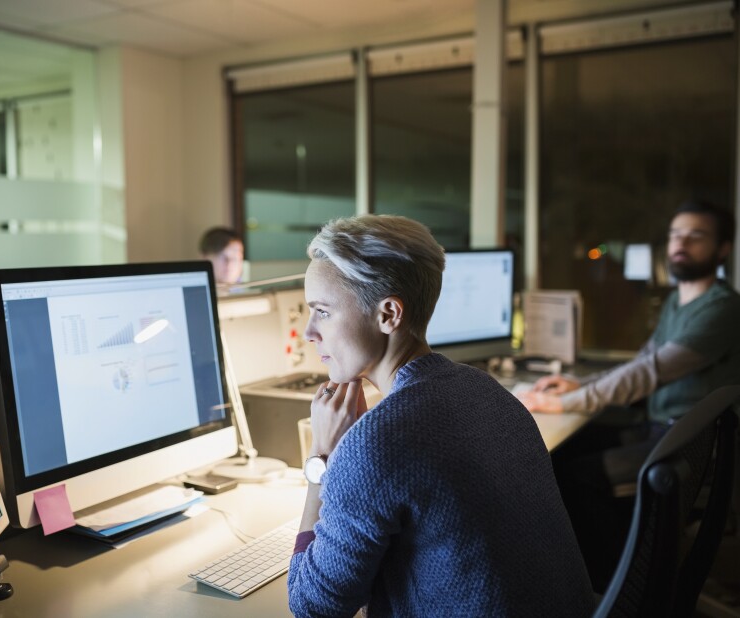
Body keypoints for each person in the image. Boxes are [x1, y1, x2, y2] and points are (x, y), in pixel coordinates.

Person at [288, 214, 594, 617]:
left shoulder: (374, 444)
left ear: (388, 314)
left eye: (323, 312)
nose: (309, 332)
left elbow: (311, 606)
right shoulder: (487, 390)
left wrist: (323, 458)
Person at [517, 199, 740, 588]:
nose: (680, 243)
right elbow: (642, 362)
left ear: (723, 249)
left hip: (690, 444)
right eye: (675, 234)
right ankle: (612, 561)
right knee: (566, 452)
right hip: (659, 427)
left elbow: (651, 373)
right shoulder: (678, 301)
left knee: (578, 476)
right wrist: (581, 385)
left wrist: (563, 403)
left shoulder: (723, 309)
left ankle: (615, 587)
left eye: (696, 236)